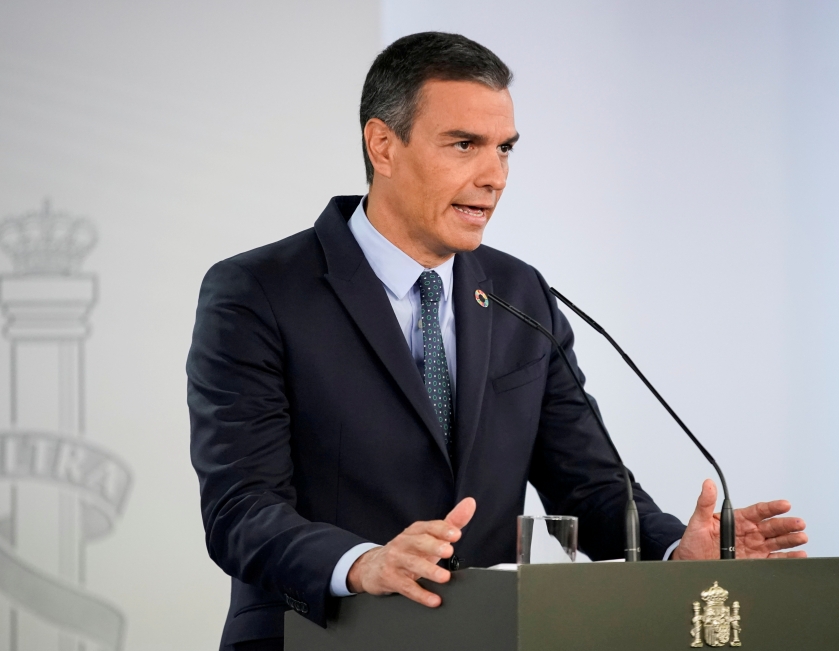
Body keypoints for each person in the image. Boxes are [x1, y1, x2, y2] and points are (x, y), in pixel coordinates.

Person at [187, 32, 807, 651]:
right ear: (383, 145)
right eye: (464, 145)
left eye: (504, 149)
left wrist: (674, 552)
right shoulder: (259, 291)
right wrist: (362, 563)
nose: (494, 177)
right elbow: (242, 507)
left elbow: (589, 484)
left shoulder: (519, 292)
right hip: (316, 636)